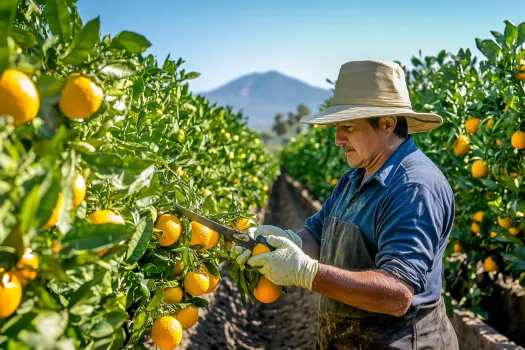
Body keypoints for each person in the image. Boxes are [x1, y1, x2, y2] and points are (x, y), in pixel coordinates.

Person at [232, 60, 460, 349]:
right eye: (337, 128)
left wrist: (306, 272)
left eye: (348, 127)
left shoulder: (413, 188)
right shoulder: (354, 178)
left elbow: (397, 293)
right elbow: (317, 234)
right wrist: (278, 242)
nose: (339, 139)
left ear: (387, 123)